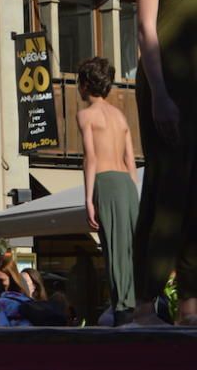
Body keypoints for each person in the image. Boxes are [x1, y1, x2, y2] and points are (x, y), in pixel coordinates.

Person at [133, 0, 197, 327]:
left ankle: (191, 305)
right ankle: (145, 303)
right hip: (169, 86)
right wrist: (160, 95)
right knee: (166, 188)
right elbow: (146, 27)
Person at [76, 56, 139, 326]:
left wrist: (88, 198)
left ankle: (123, 309)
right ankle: (137, 305)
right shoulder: (119, 116)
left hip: (106, 181)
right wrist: (134, 192)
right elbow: (131, 160)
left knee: (113, 248)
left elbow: (90, 157)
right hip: (127, 182)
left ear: (86, 85)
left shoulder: (86, 115)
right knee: (131, 247)